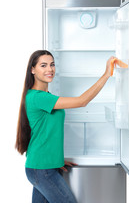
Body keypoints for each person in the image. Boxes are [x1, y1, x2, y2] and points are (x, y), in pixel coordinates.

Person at [15, 50, 116, 203]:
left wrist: (57, 160)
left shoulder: (44, 96)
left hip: (43, 167)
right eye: (43, 65)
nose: (49, 69)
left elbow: (46, 134)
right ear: (33, 70)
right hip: (42, 170)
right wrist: (107, 74)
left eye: (52, 64)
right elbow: (82, 101)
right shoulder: (38, 97)